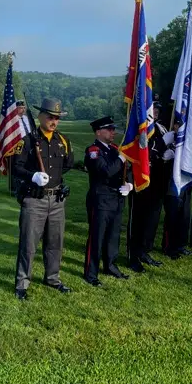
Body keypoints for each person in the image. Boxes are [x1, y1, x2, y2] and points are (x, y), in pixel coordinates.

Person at [13, 98, 74, 300]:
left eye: (56, 118)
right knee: (29, 244)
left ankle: (52, 278)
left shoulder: (62, 140)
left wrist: (58, 181)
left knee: (55, 243)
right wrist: (33, 176)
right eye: (50, 117)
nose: (53, 121)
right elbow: (15, 167)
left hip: (56, 200)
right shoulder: (28, 140)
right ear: (40, 117)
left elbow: (66, 165)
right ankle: (22, 283)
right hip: (34, 199)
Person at [83, 116, 132, 286]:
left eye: (113, 129)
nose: (113, 132)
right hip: (101, 199)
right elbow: (105, 171)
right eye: (109, 129)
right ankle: (91, 273)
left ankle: (110, 265)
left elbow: (127, 169)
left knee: (113, 235)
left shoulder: (114, 149)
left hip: (117, 197)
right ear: (98, 132)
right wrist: (121, 159)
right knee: (97, 236)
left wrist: (130, 184)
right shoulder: (93, 151)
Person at [126, 102, 174, 272]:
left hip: (158, 181)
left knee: (152, 219)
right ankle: (133, 255)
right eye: (152, 109)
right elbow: (143, 152)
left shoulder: (161, 128)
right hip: (142, 181)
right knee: (138, 220)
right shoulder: (140, 128)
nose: (155, 112)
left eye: (157, 110)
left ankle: (145, 250)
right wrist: (162, 146)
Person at [161, 118, 192, 259]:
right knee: (172, 217)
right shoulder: (168, 139)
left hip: (185, 183)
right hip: (171, 184)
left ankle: (180, 245)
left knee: (184, 216)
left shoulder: (188, 141)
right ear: (175, 125)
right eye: (179, 125)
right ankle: (169, 246)